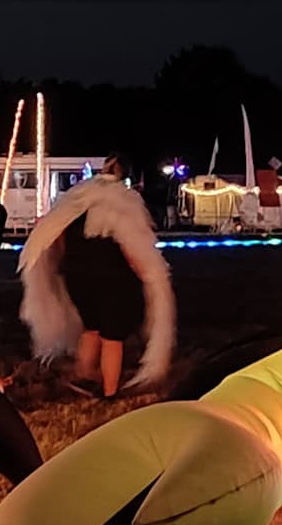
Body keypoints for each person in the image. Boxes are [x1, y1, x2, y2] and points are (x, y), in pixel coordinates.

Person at [18, 156, 174, 397]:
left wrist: (62, 261)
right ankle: (109, 394)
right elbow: (131, 246)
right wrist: (149, 276)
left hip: (77, 277)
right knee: (113, 336)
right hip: (111, 279)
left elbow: (53, 234)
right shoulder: (123, 201)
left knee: (91, 328)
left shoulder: (76, 198)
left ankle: (84, 374)